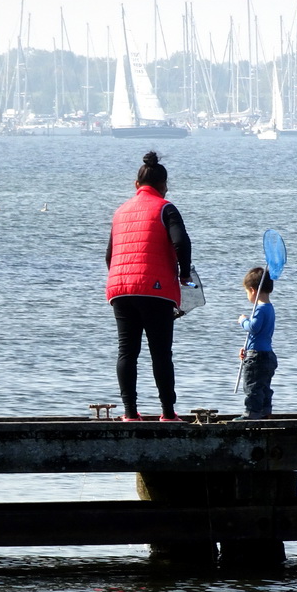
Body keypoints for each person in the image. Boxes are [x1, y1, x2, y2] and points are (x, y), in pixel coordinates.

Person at [105, 151, 192, 422]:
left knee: (127, 351)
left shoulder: (120, 211)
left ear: (136, 185)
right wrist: (184, 274)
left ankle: (130, 413)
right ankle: (167, 412)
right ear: (164, 185)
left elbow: (109, 254)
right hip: (154, 289)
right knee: (160, 353)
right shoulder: (165, 207)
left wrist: (121, 277)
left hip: (120, 288)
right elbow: (181, 242)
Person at [233, 266, 277, 421]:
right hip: (267, 354)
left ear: (252, 290)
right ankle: (265, 411)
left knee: (252, 386)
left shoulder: (260, 309)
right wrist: (247, 348)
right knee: (264, 386)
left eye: (246, 292)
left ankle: (252, 413)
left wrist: (243, 320)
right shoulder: (270, 308)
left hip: (257, 356)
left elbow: (254, 328)